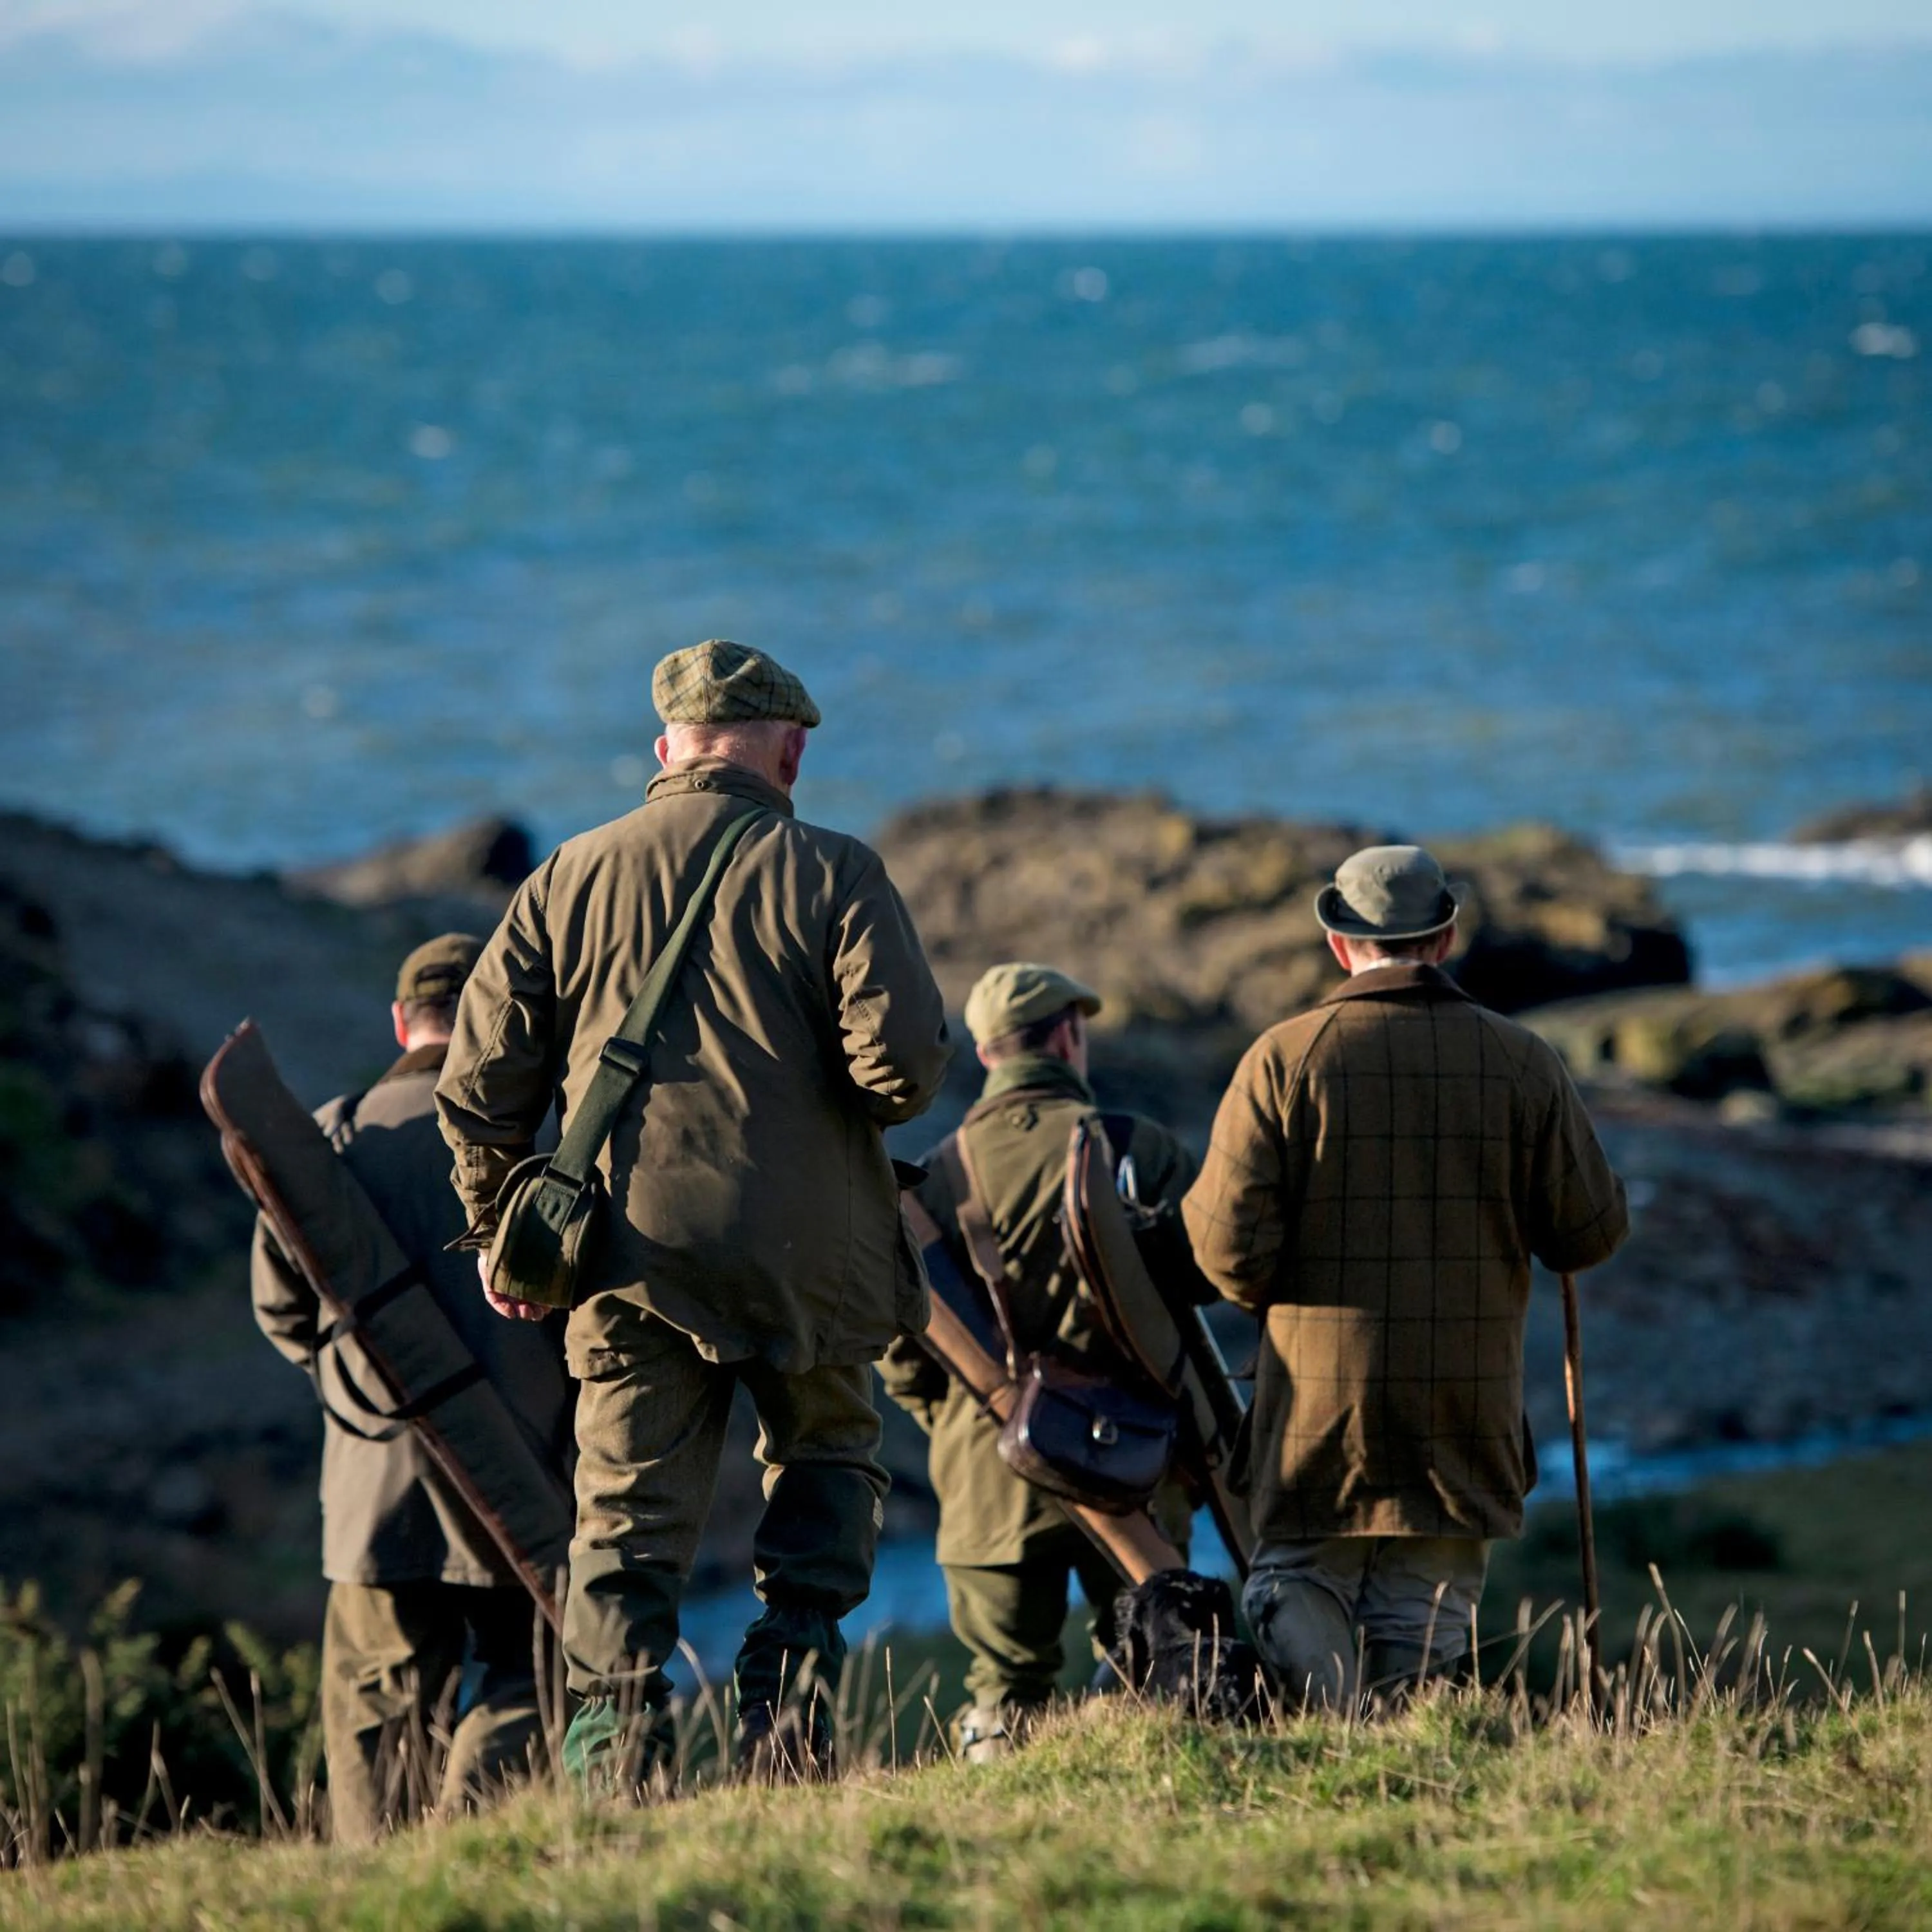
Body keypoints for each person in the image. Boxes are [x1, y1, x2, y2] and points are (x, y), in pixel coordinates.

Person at [435, 639, 951, 1781]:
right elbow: (903, 1074)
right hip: (810, 1257)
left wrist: (502, 1232)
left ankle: (613, 1767)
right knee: (825, 1469)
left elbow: (478, 1087)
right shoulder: (839, 872)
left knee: (621, 1523)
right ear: (793, 751)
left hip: (626, 1256)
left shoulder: (565, 876)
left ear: (666, 749)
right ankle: (788, 1717)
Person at [1182, 845, 1630, 1707]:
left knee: (1290, 1587)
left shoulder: (1283, 1059)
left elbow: (1227, 1256)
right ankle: (1397, 1765)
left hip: (1320, 1414)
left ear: (1339, 944)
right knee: (1423, 1637)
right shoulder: (1523, 1060)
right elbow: (1589, 1234)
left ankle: (1336, 1727)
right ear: (1448, 937)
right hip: (1464, 1414)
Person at [251, 933, 573, 1844]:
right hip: (523, 1472)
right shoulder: (544, 1137)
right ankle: (467, 1846)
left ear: (400, 1020)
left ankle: (384, 1885)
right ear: (495, 1020)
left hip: (374, 1485)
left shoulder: (332, 1136)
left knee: (378, 1709)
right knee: (534, 1674)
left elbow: (282, 1316)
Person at [879, 962, 1198, 1761]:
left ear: (987, 1057)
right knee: (1152, 1667)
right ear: (1068, 1037)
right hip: (1131, 1467)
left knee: (1003, 1689)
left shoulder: (929, 1182)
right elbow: (1202, 1287)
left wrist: (976, 1419)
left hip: (988, 1479)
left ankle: (999, 1854)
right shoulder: (1132, 1148)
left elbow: (901, 1352)